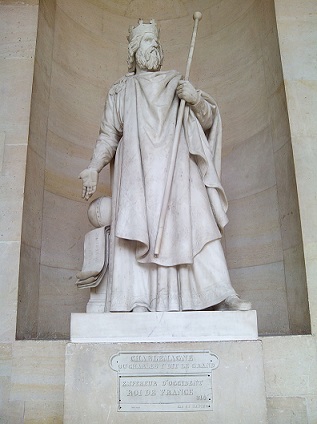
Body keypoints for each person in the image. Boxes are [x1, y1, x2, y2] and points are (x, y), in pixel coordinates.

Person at [79, 19, 251, 313]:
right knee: (135, 233)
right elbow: (109, 135)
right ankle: (139, 300)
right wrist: (94, 167)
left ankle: (221, 293)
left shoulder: (176, 82)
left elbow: (208, 122)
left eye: (154, 40)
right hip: (138, 175)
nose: (153, 45)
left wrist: (195, 99)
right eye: (146, 40)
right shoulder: (121, 90)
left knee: (200, 225)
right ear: (134, 51)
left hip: (180, 174)